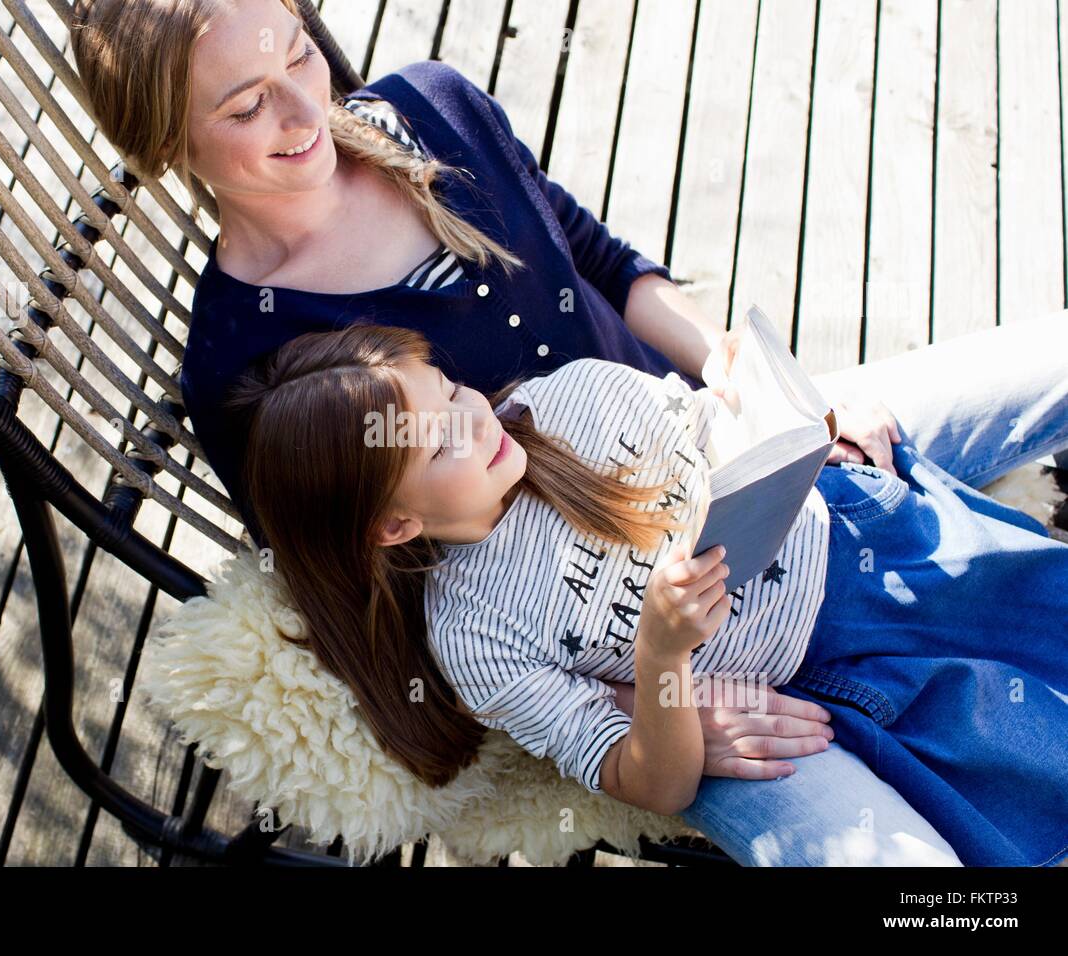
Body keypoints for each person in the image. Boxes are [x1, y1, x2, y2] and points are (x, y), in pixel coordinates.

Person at [70, 0, 1068, 864]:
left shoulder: (430, 109)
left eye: (296, 50)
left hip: (717, 452)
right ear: (170, 145)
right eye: (244, 105)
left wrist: (753, 382)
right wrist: (655, 694)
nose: (302, 108)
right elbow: (374, 568)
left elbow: (594, 252)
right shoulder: (248, 371)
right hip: (637, 651)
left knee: (1044, 363)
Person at [225, 322, 1068, 866]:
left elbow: (722, 428)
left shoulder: (566, 400)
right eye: (440, 443)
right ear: (394, 526)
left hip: (858, 524)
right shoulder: (473, 639)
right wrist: (660, 655)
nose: (478, 421)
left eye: (451, 391)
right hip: (825, 675)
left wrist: (806, 416)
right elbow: (651, 783)